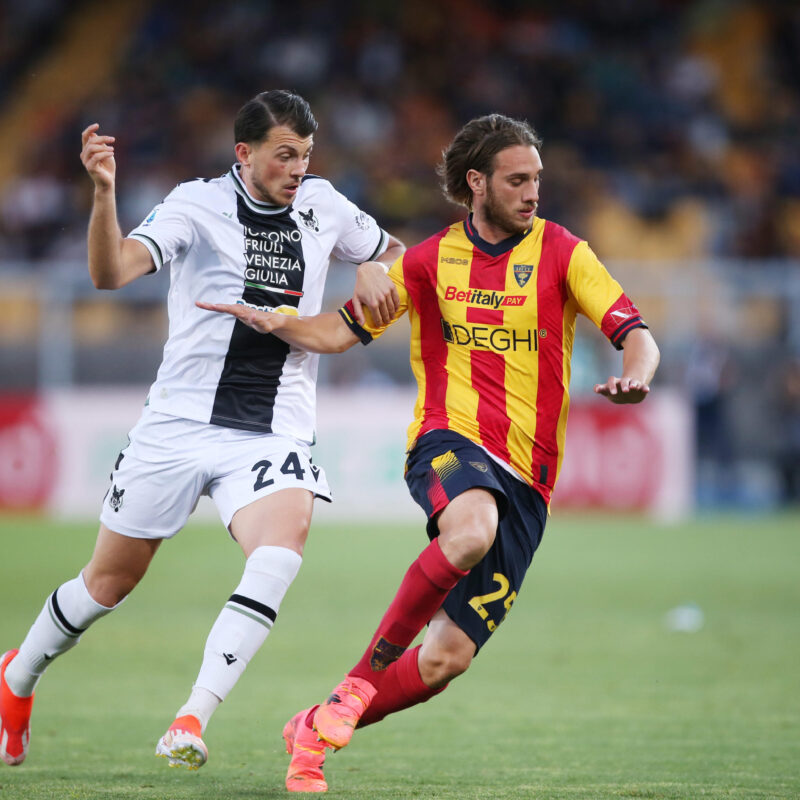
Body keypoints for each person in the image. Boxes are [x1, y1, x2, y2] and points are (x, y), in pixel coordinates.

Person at [197, 112, 661, 793]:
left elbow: (636, 332)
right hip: (450, 440)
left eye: (537, 179)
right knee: (471, 529)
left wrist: (638, 375)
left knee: (445, 660)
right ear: (477, 182)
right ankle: (358, 682)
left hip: (529, 480)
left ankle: (316, 724)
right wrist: (280, 323)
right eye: (517, 179)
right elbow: (340, 333)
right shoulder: (426, 262)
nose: (533, 192)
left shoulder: (565, 253)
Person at [0, 89, 403, 770]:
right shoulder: (195, 204)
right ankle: (16, 678)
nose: (297, 167)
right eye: (283, 155)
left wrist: (376, 262)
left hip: (272, 429)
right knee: (106, 585)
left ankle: (192, 716)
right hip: (177, 425)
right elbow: (110, 272)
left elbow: (394, 249)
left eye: (304, 154)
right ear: (244, 154)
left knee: (280, 551)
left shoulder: (325, 205)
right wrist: (104, 193)